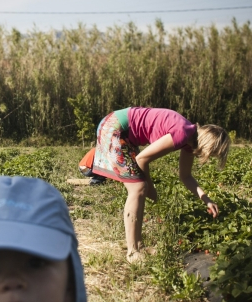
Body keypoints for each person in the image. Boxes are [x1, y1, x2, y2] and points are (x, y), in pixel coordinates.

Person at [91, 107, 230, 263]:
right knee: (138, 188)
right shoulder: (183, 133)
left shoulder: (189, 140)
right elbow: (142, 159)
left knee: (140, 187)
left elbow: (186, 176)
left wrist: (206, 199)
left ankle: (139, 246)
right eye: (212, 154)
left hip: (122, 130)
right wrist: (151, 189)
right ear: (209, 145)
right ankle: (133, 252)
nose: (208, 158)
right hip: (115, 127)